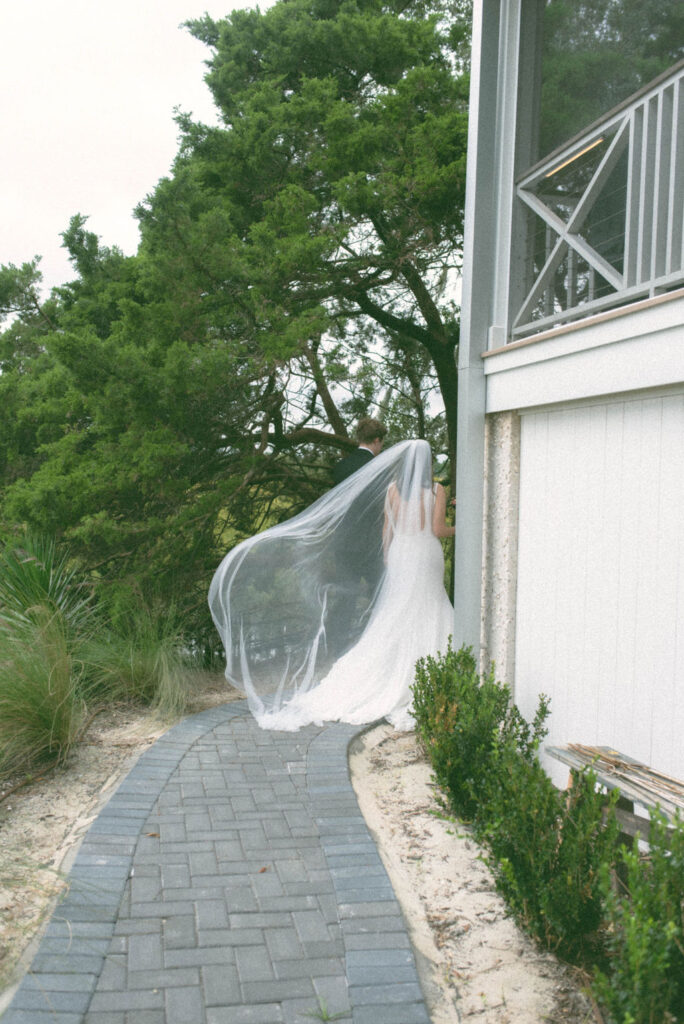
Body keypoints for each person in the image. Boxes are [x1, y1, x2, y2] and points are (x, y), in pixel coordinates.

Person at [208, 439, 455, 731]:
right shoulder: (437, 491)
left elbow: (387, 530)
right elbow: (438, 530)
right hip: (425, 553)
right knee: (427, 607)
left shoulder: (392, 490)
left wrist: (390, 556)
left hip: (402, 553)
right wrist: (462, 523)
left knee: (397, 610)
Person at [332, 417, 387, 485]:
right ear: (377, 440)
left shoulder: (340, 466)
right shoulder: (379, 467)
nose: (381, 447)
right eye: (382, 443)